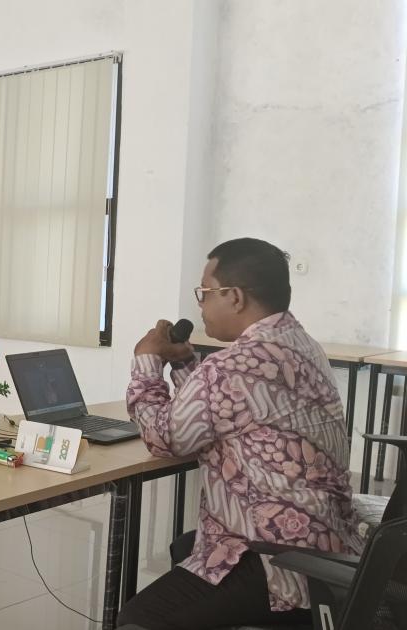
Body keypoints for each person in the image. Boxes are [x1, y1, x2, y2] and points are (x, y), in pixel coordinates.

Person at [119, 238, 361, 630]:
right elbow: (221, 411)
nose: (200, 305)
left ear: (234, 297)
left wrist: (146, 360)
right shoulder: (302, 345)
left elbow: (164, 439)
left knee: (139, 618)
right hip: (327, 543)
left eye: (204, 293)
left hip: (277, 563)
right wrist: (184, 363)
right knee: (185, 546)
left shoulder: (232, 366)